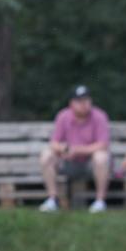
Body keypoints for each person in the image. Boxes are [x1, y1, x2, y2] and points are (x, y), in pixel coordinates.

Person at [39, 85, 111, 213]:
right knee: (46, 155)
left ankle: (100, 201)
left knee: (101, 157)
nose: (84, 104)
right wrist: (64, 149)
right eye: (79, 101)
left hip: (90, 164)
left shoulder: (99, 116)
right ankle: (52, 199)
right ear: (71, 103)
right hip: (68, 162)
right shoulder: (63, 116)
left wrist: (77, 150)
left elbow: (103, 145)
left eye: (86, 100)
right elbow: (54, 143)